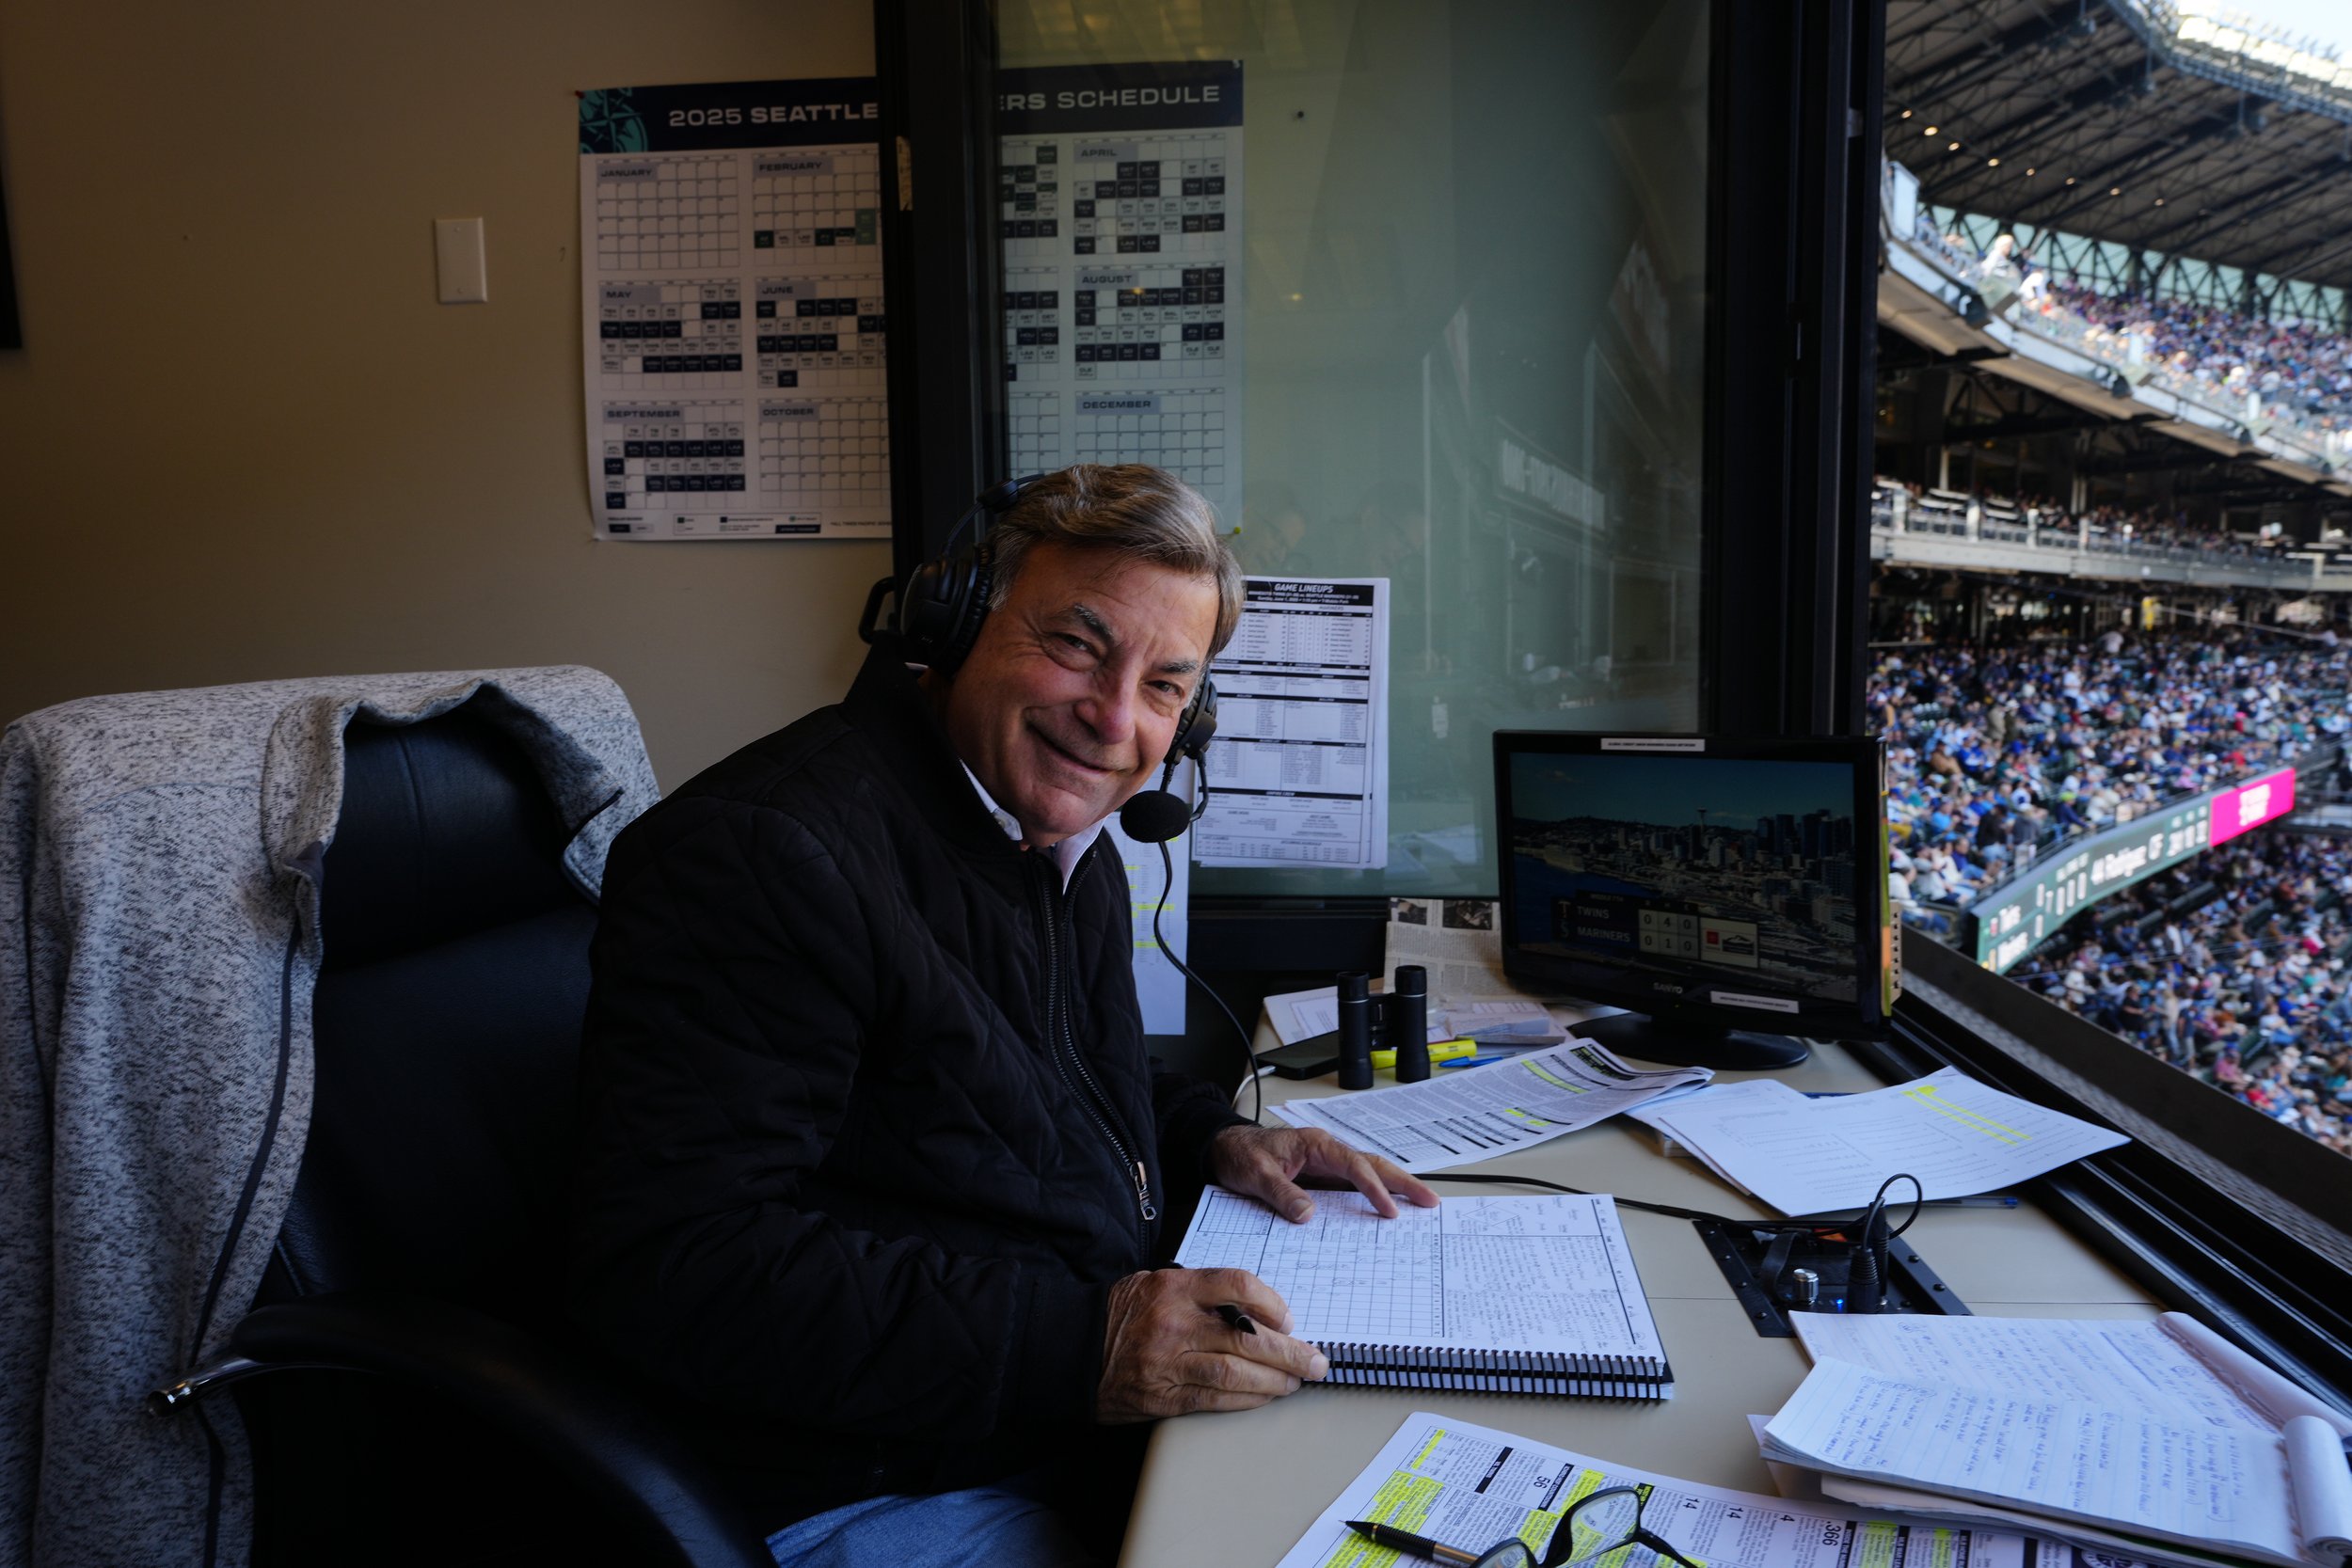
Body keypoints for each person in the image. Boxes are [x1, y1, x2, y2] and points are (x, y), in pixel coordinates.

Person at [567, 465, 1436, 1566]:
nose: (1114, 718)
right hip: (855, 1480)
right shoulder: (765, 852)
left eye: (1165, 686)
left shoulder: (1058, 844)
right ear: (956, 621)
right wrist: (1088, 1340)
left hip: (1026, 1418)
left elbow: (1047, 1078)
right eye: (1077, 644)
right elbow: (676, 1264)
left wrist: (1215, 1136)